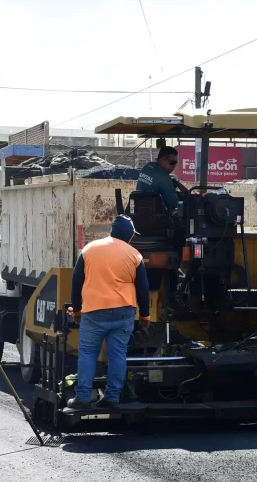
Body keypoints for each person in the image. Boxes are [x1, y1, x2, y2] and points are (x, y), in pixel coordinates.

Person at [68, 215, 151, 410]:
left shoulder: (89, 250)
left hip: (94, 311)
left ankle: (82, 398)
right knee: (117, 354)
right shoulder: (134, 255)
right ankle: (112, 397)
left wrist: (77, 311)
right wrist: (145, 316)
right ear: (129, 235)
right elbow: (143, 288)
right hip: (124, 312)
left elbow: (76, 282)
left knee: (88, 353)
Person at [134, 146, 181, 212]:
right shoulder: (164, 177)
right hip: (155, 216)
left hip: (138, 211)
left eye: (176, 163)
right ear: (162, 160)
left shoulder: (147, 166)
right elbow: (173, 204)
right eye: (172, 163)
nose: (174, 166)